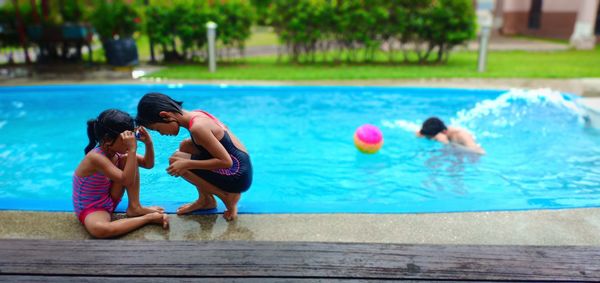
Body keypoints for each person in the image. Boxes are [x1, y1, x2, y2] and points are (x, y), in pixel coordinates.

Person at [136, 93, 252, 221]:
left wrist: (187, 164)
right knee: (185, 146)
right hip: (243, 165)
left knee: (175, 161)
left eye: (158, 129)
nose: (162, 133)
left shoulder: (198, 128)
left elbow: (226, 162)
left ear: (165, 115)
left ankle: (226, 197)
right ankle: (206, 200)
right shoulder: (198, 114)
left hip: (237, 174)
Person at [73, 109, 168, 238]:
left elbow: (148, 164)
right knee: (100, 230)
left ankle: (135, 207)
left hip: (110, 198)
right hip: (93, 208)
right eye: (126, 139)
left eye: (132, 137)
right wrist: (132, 149)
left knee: (127, 158)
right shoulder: (95, 158)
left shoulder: (118, 151)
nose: (131, 142)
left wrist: (148, 143)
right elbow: (126, 180)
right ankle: (147, 219)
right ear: (108, 139)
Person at [416, 117, 485, 155]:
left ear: (444, 132)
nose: (432, 140)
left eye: (433, 138)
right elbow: (420, 133)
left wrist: (448, 144)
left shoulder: (461, 135)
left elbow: (480, 152)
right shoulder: (431, 131)